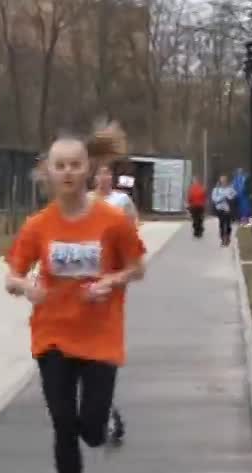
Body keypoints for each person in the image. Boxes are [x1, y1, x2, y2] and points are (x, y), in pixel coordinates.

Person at [4, 128, 146, 473]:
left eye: (75, 165)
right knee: (63, 422)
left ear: (90, 170)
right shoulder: (38, 225)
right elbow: (12, 275)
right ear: (48, 171)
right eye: (60, 165)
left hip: (100, 336)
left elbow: (138, 267)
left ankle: (107, 421)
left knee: (91, 432)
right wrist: (27, 287)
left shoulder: (112, 220)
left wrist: (110, 282)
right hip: (53, 336)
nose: (67, 172)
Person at [86, 160, 138, 447]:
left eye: (108, 172)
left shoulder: (122, 201)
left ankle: (104, 408)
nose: (104, 177)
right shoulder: (84, 202)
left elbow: (133, 230)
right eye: (99, 172)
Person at [210, 174, 237, 247]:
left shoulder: (230, 189)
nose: (223, 182)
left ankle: (227, 238)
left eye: (225, 181)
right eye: (222, 181)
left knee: (228, 224)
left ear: (226, 181)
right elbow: (214, 199)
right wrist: (223, 197)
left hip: (227, 209)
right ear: (220, 181)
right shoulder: (216, 190)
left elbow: (234, 196)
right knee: (221, 224)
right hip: (220, 209)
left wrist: (230, 197)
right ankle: (222, 239)